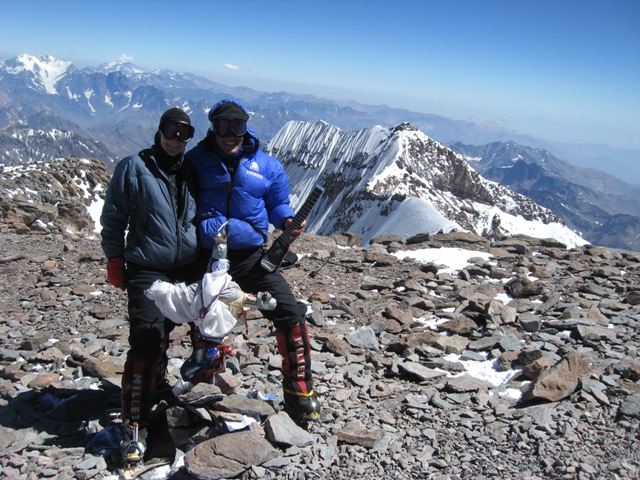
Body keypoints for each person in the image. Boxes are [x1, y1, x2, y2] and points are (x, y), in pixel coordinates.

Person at [186, 98, 321, 422]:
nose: (231, 134)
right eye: (223, 127)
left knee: (289, 310)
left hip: (251, 257)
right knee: (203, 315)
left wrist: (288, 220)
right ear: (213, 127)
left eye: (238, 126)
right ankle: (207, 379)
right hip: (208, 255)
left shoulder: (268, 167)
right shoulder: (195, 161)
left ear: (247, 127)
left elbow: (278, 205)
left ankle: (299, 388)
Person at [100, 107, 203, 459]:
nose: (176, 140)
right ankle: (134, 424)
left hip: (186, 267)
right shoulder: (135, 167)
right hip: (146, 266)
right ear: (159, 132)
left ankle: (156, 385)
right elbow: (114, 215)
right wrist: (115, 258)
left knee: (175, 329)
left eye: (184, 134)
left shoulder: (192, 169)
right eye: (171, 132)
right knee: (146, 339)